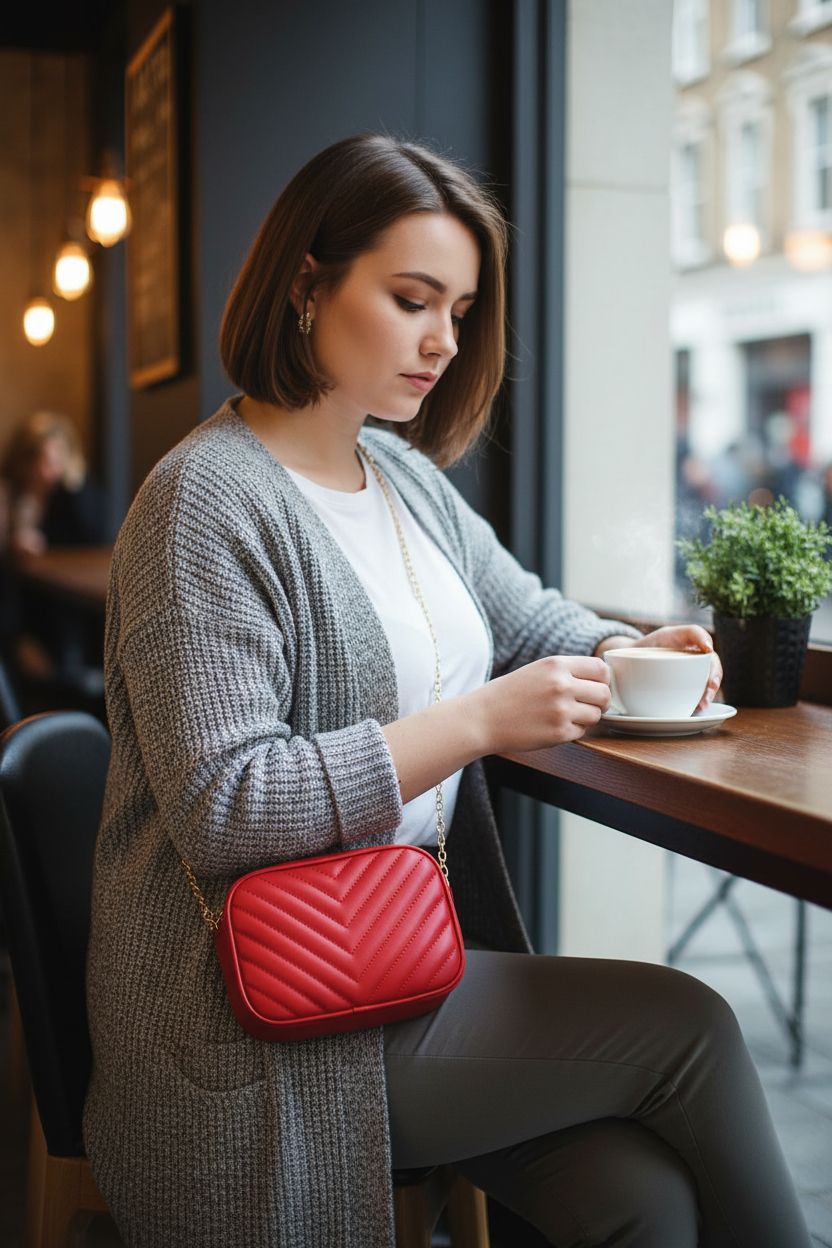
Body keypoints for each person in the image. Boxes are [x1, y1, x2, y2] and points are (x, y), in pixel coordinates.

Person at [83, 134, 812, 1248]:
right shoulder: (206, 504)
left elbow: (525, 618)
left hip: (387, 970)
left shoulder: (401, 477)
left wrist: (626, 646)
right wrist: (470, 724)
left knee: (639, 1204)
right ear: (304, 283)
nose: (442, 340)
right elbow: (223, 805)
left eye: (461, 310)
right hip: (253, 1020)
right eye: (412, 298)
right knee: (694, 1026)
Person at [0, 411, 106, 690]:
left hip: (66, 621)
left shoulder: (76, 499)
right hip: (20, 617)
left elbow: (97, 547)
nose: (46, 471)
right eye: (38, 461)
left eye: (54, 461)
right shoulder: (8, 499)